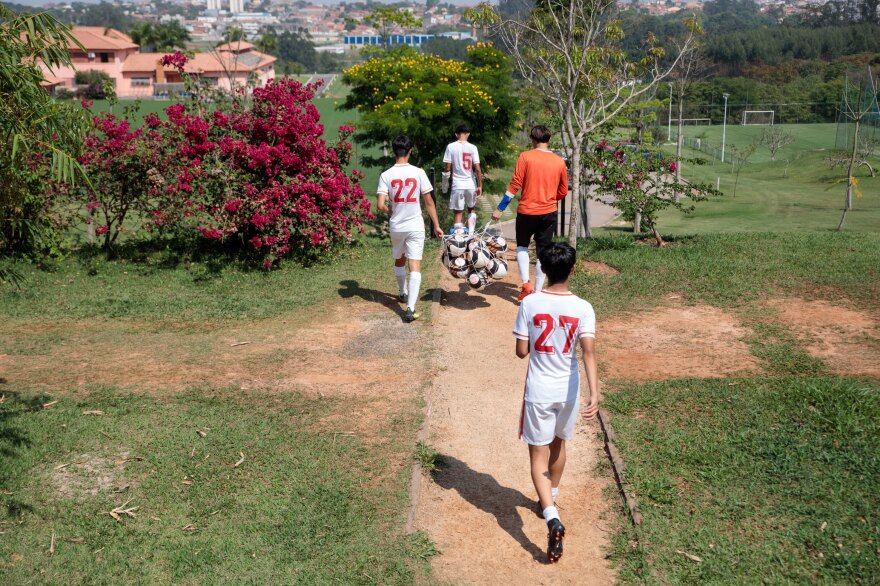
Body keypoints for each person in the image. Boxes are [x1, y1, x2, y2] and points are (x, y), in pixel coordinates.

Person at [512, 243, 599, 563]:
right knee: (559, 445)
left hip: (539, 391)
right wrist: (595, 393)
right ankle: (552, 497)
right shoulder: (584, 307)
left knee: (537, 455)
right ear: (573, 269)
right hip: (569, 390)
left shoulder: (530, 303)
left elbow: (522, 352)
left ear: (543, 270)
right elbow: (588, 351)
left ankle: (551, 516)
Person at [491, 125, 568, 301]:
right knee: (543, 251)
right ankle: (539, 292)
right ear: (549, 139)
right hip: (549, 211)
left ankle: (526, 284)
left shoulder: (525, 157)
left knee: (522, 246)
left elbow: (514, 184)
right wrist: (549, 197)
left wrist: (500, 208)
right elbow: (563, 191)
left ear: (533, 139)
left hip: (527, 211)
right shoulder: (559, 161)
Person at [377, 135, 444, 323]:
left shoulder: (386, 175)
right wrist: (437, 225)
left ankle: (402, 291)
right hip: (415, 225)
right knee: (415, 264)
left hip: (397, 225)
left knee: (399, 260)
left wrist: (391, 210)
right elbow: (429, 201)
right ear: (410, 151)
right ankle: (410, 309)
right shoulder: (419, 172)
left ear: (393, 151)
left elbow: (380, 204)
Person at [442, 124, 483, 235]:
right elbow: (477, 169)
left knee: (458, 212)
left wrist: (445, 183)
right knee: (471, 208)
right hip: (471, 183)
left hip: (457, 183)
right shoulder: (473, 147)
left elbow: (447, 168)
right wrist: (480, 186)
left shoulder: (451, 147)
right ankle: (470, 234)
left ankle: (458, 239)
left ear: (456, 134)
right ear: (468, 134)